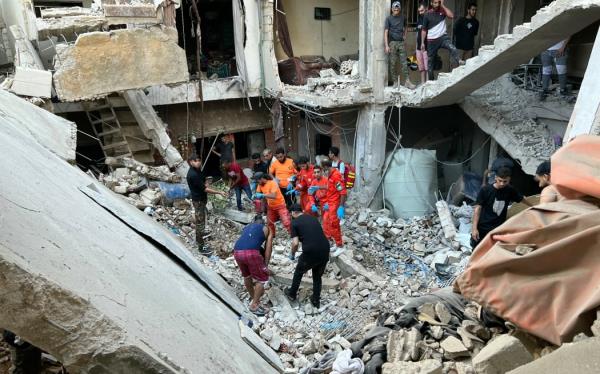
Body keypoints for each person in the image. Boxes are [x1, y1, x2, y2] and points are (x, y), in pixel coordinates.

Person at [471, 167, 532, 248]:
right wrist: (474, 228)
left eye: (505, 181)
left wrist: (534, 206)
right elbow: (477, 209)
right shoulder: (486, 190)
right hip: (483, 227)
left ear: (509, 179)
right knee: (477, 248)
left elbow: (521, 199)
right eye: (500, 180)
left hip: (498, 229)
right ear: (496, 177)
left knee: (492, 250)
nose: (502, 183)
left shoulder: (510, 190)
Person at [284, 204, 330, 309]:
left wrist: (292, 254)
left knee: (299, 271)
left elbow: (295, 243)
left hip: (311, 251)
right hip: (325, 249)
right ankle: (316, 300)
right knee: (317, 276)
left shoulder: (294, 223)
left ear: (293, 213)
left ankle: (292, 294)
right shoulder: (312, 218)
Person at [186, 154, 228, 255]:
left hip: (201, 200)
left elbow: (203, 182)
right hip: (198, 201)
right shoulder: (192, 174)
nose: (198, 162)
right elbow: (205, 189)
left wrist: (207, 181)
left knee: (202, 221)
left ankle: (201, 237)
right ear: (191, 162)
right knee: (200, 224)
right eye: (196, 161)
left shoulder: (197, 171)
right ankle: (201, 247)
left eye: (199, 160)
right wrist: (219, 192)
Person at [233, 215, 273, 316]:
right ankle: (254, 305)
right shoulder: (266, 228)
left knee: (246, 276)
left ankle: (254, 298)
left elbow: (247, 241)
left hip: (237, 251)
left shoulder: (247, 227)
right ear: (263, 223)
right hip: (251, 252)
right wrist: (265, 266)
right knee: (262, 278)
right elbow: (268, 248)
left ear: (253, 221)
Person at [421, 0, 464, 81]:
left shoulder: (442, 10)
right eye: (435, 3)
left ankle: (459, 60)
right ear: (431, 3)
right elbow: (424, 30)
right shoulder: (427, 14)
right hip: (431, 41)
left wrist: (443, 5)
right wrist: (423, 43)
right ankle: (431, 82)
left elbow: (451, 16)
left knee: (452, 47)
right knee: (430, 64)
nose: (436, 4)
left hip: (442, 38)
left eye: (438, 2)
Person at [385, 1, 416, 89]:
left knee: (404, 63)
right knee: (392, 63)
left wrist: (405, 35)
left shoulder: (403, 18)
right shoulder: (389, 19)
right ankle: (395, 82)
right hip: (392, 43)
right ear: (392, 9)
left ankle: (407, 81)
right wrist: (386, 45)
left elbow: (406, 27)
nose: (396, 9)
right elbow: (386, 32)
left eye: (397, 8)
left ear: (400, 9)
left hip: (401, 43)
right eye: (395, 7)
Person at [319, 160, 347, 255]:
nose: (323, 171)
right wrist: (318, 188)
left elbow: (342, 192)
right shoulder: (330, 176)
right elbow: (331, 189)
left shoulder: (336, 176)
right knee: (329, 223)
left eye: (323, 169)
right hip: (330, 203)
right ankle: (337, 242)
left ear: (326, 167)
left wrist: (341, 207)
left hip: (335, 205)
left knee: (334, 224)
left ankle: (340, 246)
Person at [415, 2, 429, 84]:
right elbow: (417, 34)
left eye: (422, 11)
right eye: (419, 11)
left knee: (427, 68)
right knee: (421, 68)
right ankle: (423, 84)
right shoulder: (419, 19)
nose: (420, 13)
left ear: (426, 9)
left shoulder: (429, 19)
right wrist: (416, 47)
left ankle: (427, 84)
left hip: (427, 47)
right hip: (418, 48)